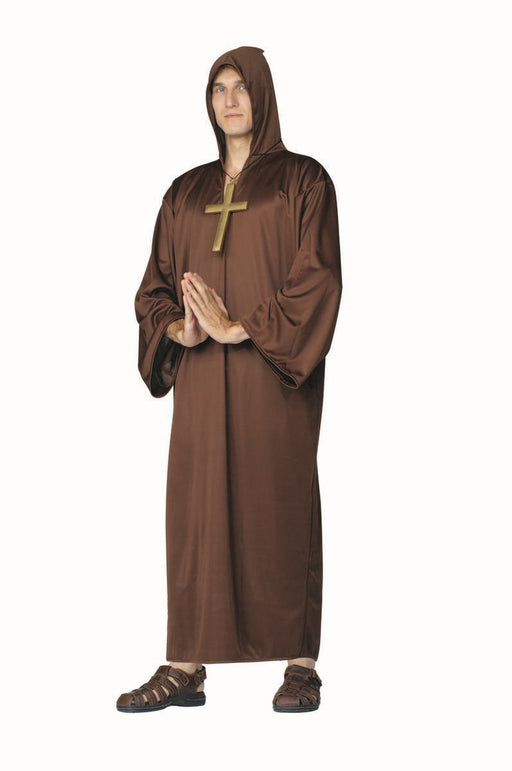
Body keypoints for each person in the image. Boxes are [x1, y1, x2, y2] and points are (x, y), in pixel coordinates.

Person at [116, 45, 342, 714]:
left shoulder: (304, 181)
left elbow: (318, 278)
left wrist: (240, 326)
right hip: (201, 386)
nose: (230, 99)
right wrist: (178, 330)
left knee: (280, 500)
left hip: (274, 379)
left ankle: (301, 663)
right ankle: (185, 663)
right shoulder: (185, 193)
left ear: (262, 93)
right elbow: (153, 288)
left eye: (241, 86)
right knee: (196, 512)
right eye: (218, 88)